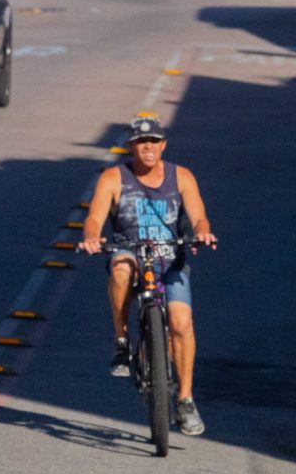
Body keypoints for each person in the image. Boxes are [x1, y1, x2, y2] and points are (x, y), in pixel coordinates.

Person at [78, 115, 217, 436]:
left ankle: (185, 400)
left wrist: (202, 233)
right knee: (121, 268)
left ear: (163, 145)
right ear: (131, 147)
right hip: (130, 249)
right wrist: (92, 236)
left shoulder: (182, 176)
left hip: (170, 257)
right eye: (141, 142)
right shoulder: (114, 177)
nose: (148, 148)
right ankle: (122, 341)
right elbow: (94, 217)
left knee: (182, 324)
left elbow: (199, 216)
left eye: (154, 141)